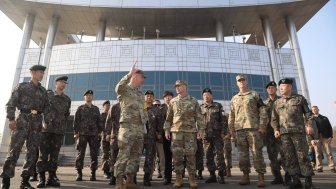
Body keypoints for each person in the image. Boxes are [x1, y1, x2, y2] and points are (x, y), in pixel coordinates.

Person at [0, 65, 49, 189]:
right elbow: (11, 104)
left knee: (32, 153)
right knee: (14, 151)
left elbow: (47, 108)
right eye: (39, 72)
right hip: (22, 120)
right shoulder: (22, 87)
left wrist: (46, 121)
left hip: (36, 123)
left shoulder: (43, 91)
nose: (42, 74)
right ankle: (6, 182)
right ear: (32, 72)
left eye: (43, 73)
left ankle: (24, 182)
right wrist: (11, 119)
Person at [271, 78, 315, 189]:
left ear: (290, 87)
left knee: (303, 156)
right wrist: (276, 129)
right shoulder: (277, 102)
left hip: (298, 133)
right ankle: (296, 181)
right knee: (289, 158)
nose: (281, 88)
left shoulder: (299, 99)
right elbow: (274, 119)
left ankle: (308, 182)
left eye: (284, 86)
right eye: (280, 87)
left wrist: (309, 125)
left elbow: (308, 114)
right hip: (284, 135)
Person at [164, 80, 205, 189]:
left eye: (179, 86)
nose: (177, 88)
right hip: (176, 134)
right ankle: (178, 178)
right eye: (176, 86)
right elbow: (168, 118)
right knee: (177, 157)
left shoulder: (193, 101)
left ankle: (192, 178)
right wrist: (167, 130)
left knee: (191, 156)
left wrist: (201, 130)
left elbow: (199, 117)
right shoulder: (173, 101)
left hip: (190, 133)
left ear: (185, 87)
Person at [228, 74, 267, 187]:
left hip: (253, 129)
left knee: (257, 153)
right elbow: (231, 116)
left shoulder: (254, 95)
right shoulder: (234, 98)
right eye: (239, 81)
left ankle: (261, 176)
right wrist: (232, 131)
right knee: (242, 155)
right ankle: (245, 175)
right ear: (237, 83)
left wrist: (262, 126)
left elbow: (263, 111)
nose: (241, 82)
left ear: (246, 81)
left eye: (243, 80)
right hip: (239, 130)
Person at [114, 62, 148, 189]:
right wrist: (129, 74)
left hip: (139, 128)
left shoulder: (140, 94)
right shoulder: (125, 89)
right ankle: (119, 182)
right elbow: (118, 88)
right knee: (123, 155)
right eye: (142, 77)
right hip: (127, 127)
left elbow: (143, 110)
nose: (143, 80)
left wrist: (144, 126)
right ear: (135, 76)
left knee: (135, 155)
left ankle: (129, 181)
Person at [36, 76, 71, 188]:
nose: (63, 84)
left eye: (65, 83)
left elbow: (66, 115)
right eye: (61, 82)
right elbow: (40, 110)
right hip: (46, 130)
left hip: (58, 132)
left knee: (54, 156)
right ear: (56, 83)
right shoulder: (48, 95)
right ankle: (41, 178)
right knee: (43, 155)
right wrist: (42, 123)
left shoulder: (67, 99)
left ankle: (51, 178)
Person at [73, 90, 102, 181]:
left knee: (94, 154)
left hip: (93, 134)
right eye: (87, 95)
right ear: (84, 97)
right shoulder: (80, 108)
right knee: (80, 154)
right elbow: (76, 121)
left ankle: (93, 174)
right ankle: (79, 173)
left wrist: (100, 132)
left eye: (90, 95)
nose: (89, 97)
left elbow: (99, 121)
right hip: (82, 134)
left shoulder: (96, 109)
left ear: (92, 97)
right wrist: (75, 132)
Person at [200, 88, 227, 184]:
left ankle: (221, 175)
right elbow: (198, 122)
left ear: (211, 96)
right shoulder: (201, 107)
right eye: (204, 95)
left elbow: (223, 120)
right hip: (206, 136)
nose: (206, 96)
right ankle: (212, 175)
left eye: (207, 94)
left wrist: (223, 132)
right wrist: (199, 132)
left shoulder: (218, 106)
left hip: (217, 135)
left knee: (219, 156)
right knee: (208, 156)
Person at [263, 81, 284, 185]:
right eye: (269, 88)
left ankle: (289, 175)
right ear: (267, 91)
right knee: (272, 156)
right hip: (270, 134)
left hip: (283, 131)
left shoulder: (282, 100)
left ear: (276, 89)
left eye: (272, 87)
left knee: (286, 154)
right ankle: (278, 177)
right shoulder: (264, 103)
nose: (271, 89)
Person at [143, 90, 164, 186]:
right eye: (147, 96)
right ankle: (132, 178)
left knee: (149, 158)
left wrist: (159, 133)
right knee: (134, 157)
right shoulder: (140, 107)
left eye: (151, 96)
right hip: (139, 137)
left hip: (151, 137)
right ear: (144, 97)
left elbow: (160, 123)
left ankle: (146, 178)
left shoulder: (156, 110)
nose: (149, 97)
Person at [311, 105, 336, 173]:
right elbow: (309, 131)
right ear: (312, 111)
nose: (314, 110)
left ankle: (332, 167)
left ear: (318, 109)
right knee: (317, 154)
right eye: (313, 109)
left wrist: (331, 137)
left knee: (329, 152)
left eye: (315, 109)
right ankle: (319, 167)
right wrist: (312, 139)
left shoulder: (324, 118)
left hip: (325, 137)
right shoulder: (311, 119)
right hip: (316, 138)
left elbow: (329, 127)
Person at [105, 102, 121, 185]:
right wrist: (107, 133)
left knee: (128, 158)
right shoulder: (115, 107)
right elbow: (109, 120)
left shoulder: (130, 105)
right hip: (115, 136)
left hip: (128, 137)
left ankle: (129, 177)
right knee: (113, 157)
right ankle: (113, 177)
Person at [161, 91, 174, 185]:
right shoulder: (160, 108)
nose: (168, 98)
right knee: (167, 157)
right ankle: (167, 177)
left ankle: (180, 176)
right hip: (166, 136)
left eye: (169, 96)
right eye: (166, 97)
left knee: (179, 156)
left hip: (178, 135)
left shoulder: (177, 106)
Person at [153, 99, 165, 180]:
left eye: (158, 105)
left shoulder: (162, 114)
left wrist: (159, 134)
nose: (157, 106)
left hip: (159, 139)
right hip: (150, 138)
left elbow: (162, 125)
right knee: (151, 157)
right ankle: (149, 174)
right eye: (155, 105)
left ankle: (163, 173)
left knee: (161, 157)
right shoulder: (148, 111)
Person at [100, 100, 112, 179]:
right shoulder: (101, 115)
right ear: (103, 106)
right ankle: (105, 171)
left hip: (112, 138)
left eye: (108, 105)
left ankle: (110, 171)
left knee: (112, 155)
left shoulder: (111, 115)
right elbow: (101, 126)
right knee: (105, 155)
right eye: (106, 105)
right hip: (104, 138)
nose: (107, 106)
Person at [222, 113, 232, 177]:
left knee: (227, 155)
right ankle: (223, 169)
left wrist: (228, 135)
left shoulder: (226, 117)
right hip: (219, 138)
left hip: (226, 139)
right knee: (220, 155)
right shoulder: (218, 118)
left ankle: (228, 169)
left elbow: (230, 127)